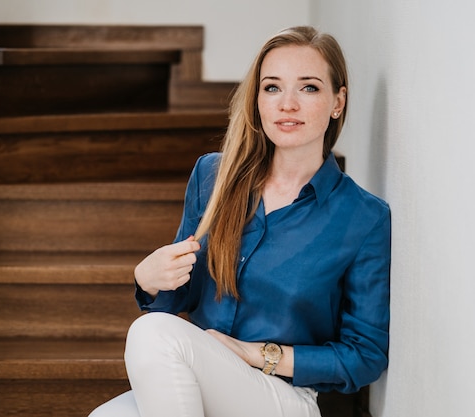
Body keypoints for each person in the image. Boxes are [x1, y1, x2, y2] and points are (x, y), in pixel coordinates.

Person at [89, 25, 390, 417]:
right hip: (204, 377)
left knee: (150, 334)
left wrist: (256, 354)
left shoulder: (363, 217)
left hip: (284, 397)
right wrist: (148, 280)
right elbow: (178, 300)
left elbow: (363, 356)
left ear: (338, 101)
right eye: (272, 87)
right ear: (257, 101)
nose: (287, 104)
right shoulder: (213, 177)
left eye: (309, 87)